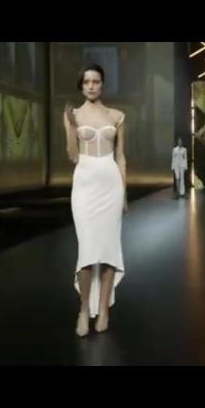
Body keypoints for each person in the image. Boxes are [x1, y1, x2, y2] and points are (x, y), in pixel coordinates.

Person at [63, 64, 126, 337]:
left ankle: (103, 310)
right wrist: (71, 126)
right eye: (86, 81)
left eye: (96, 81)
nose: (91, 86)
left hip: (111, 183)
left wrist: (125, 194)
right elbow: (72, 155)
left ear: (102, 84)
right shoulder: (73, 115)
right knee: (87, 249)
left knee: (109, 249)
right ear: (81, 86)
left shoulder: (117, 116)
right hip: (85, 183)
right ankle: (82, 310)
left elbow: (121, 157)